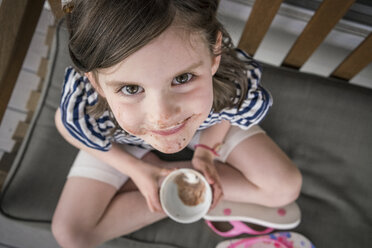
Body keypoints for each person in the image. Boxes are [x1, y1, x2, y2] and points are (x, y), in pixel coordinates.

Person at [51, 0, 302, 247]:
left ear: (214, 55)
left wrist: (206, 152)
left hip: (206, 122)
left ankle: (171, 179)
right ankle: (163, 179)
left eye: (182, 78)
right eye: (130, 88)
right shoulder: (88, 102)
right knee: (71, 235)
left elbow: (227, 113)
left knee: (285, 188)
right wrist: (134, 169)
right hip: (121, 137)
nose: (163, 117)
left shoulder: (232, 78)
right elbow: (66, 125)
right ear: (96, 83)